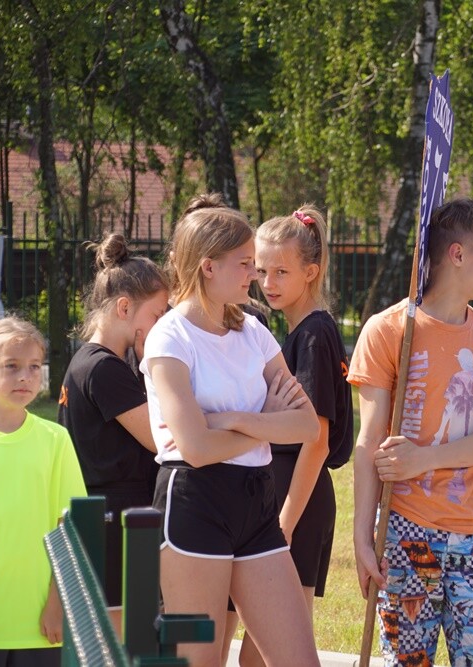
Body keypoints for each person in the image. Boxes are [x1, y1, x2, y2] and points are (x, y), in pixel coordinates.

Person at [141, 193, 321, 667]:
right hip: (194, 502)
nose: (254, 275)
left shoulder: (253, 331)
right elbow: (196, 448)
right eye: (245, 264)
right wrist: (267, 422)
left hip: (256, 501)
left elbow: (306, 425)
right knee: (198, 661)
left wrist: (239, 420)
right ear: (208, 267)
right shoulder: (169, 337)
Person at [349, 197, 473, 665]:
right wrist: (362, 538)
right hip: (404, 529)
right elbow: (369, 443)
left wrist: (425, 458)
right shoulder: (387, 330)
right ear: (457, 254)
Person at [224, 204, 355, 666]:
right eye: (261, 271)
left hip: (298, 499)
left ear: (311, 272)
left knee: (279, 650)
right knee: (260, 652)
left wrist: (284, 522)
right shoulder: (299, 330)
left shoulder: (315, 334)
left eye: (281, 271)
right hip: (280, 492)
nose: (268, 282)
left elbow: (316, 440)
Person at [57, 233, 169, 636]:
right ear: (124, 307)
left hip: (109, 514)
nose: (161, 326)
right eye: (157, 315)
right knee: (125, 638)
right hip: (117, 521)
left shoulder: (91, 361)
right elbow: (161, 439)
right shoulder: (104, 368)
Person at [0, 316, 87, 666]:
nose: (25, 376)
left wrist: (58, 602)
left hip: (41, 627)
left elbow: (72, 526)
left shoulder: (55, 440)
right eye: (11, 366)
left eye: (35, 366)